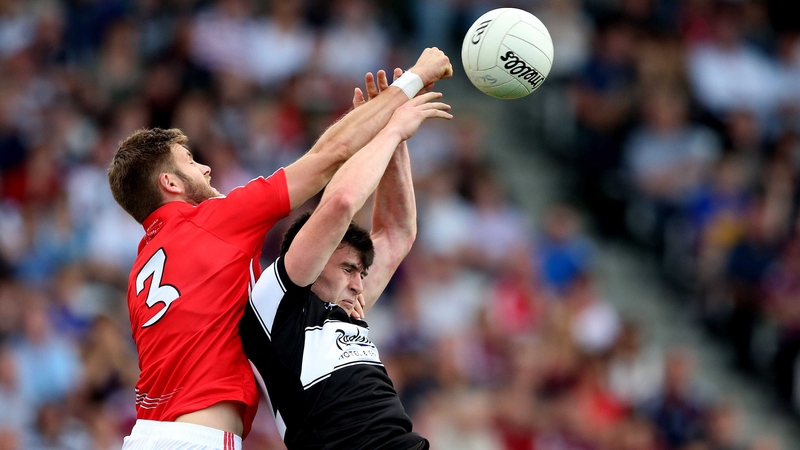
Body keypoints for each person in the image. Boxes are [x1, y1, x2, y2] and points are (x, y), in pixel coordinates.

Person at [107, 47, 452, 450]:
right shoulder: (213, 223)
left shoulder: (141, 271)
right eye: (190, 161)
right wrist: (410, 83)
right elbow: (329, 158)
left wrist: (386, 130)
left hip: (149, 432)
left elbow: (394, 234)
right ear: (170, 183)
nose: (206, 169)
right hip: (197, 437)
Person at [240, 69, 450, 449]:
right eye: (348, 268)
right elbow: (339, 203)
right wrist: (390, 131)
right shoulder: (277, 304)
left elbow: (398, 232)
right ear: (314, 258)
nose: (359, 282)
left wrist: (391, 126)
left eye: (362, 271)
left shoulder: (346, 305)